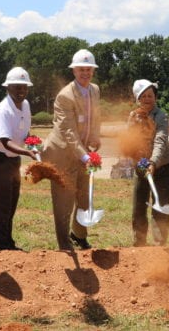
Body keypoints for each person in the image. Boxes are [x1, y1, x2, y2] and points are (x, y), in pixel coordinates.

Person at [42, 49, 101, 250]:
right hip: (62, 153)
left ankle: (79, 235)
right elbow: (68, 131)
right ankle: (64, 244)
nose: (85, 73)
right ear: (74, 71)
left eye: (89, 69)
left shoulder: (95, 90)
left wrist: (95, 137)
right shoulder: (65, 96)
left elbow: (95, 116)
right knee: (63, 201)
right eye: (81, 69)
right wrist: (85, 155)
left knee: (85, 196)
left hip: (82, 151)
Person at [0, 67, 38, 251]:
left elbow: (25, 131)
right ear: (8, 88)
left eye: (24, 87)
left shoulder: (26, 105)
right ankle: (0, 248)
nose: (21, 90)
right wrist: (28, 152)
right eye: (17, 87)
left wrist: (31, 143)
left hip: (13, 161)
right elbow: (5, 142)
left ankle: (8, 243)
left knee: (10, 204)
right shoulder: (3, 111)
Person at [128, 79, 169, 246]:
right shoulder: (133, 117)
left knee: (160, 206)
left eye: (150, 95)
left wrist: (153, 162)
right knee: (139, 206)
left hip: (162, 167)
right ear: (138, 98)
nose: (147, 99)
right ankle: (139, 243)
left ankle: (160, 244)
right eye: (143, 96)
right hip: (141, 167)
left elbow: (160, 141)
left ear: (155, 97)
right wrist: (140, 161)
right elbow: (130, 140)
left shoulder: (162, 116)